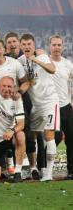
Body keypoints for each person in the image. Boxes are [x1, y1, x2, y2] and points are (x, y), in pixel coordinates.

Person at [17, 33, 59, 181]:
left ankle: (48, 172)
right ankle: (32, 167)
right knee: (32, 136)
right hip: (35, 104)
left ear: (34, 45)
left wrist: (36, 59)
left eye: (30, 44)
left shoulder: (42, 56)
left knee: (49, 136)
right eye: (24, 44)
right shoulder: (20, 61)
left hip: (49, 101)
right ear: (21, 46)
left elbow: (52, 69)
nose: (27, 47)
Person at [0, 76, 25, 182]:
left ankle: (18, 173)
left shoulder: (17, 99)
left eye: (9, 86)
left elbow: (21, 123)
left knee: (20, 135)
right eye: (4, 86)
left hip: (8, 136)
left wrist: (12, 131)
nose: (6, 89)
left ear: (14, 87)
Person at [48, 35, 73, 179]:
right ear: (49, 46)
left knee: (71, 139)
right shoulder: (46, 62)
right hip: (51, 106)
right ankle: (43, 168)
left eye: (59, 45)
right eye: (54, 45)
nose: (57, 47)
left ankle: (71, 171)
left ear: (62, 47)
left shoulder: (68, 64)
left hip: (65, 106)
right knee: (54, 138)